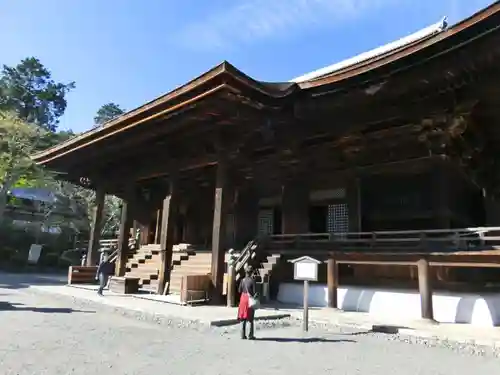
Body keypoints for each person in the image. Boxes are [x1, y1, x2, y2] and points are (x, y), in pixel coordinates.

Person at [237, 267, 257, 340]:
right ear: (251, 272)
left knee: (243, 317)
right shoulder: (252, 281)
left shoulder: (242, 280)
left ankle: (242, 335)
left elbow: (239, 290)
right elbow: (255, 292)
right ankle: (250, 335)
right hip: (249, 300)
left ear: (245, 272)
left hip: (243, 299)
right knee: (250, 319)